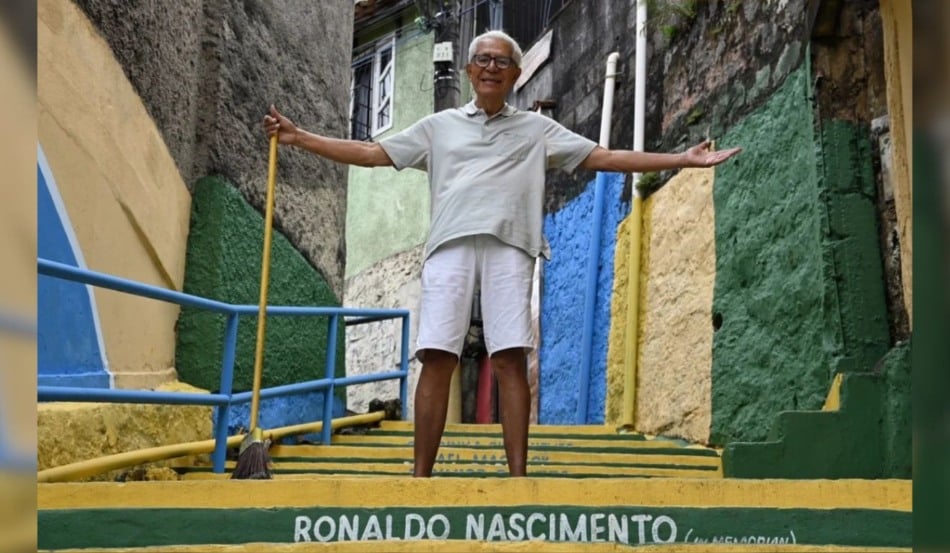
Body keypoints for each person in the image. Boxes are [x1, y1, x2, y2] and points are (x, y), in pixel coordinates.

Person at [264, 30, 741, 477]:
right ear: (471, 71)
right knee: (436, 356)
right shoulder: (440, 127)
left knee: (511, 356)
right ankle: (418, 479)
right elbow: (371, 154)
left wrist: (683, 158)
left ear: (515, 74)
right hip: (449, 247)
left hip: (512, 247)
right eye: (483, 60)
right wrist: (298, 136)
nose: (492, 67)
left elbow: (607, 157)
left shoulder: (537, 129)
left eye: (503, 62)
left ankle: (517, 480)